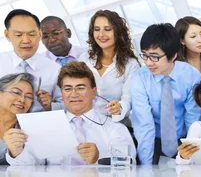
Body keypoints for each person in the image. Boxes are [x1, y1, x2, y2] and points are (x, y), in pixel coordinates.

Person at [4, 62, 135, 165]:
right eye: (67, 88)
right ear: (61, 93)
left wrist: (99, 157)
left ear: (94, 92)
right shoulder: (46, 127)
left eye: (80, 87)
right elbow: (30, 167)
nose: (74, 94)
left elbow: (129, 164)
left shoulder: (115, 128)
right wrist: (16, 152)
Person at [131, 23, 201, 165]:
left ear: (173, 56)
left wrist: (192, 158)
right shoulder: (140, 78)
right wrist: (146, 166)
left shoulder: (191, 75)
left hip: (182, 139)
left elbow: (193, 120)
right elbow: (144, 124)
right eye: (145, 55)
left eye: (155, 57)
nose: (148, 62)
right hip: (152, 140)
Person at [79, 10, 141, 123]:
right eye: (97, 29)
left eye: (107, 29)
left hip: (116, 123)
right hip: (86, 121)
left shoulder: (131, 64)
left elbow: (128, 99)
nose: (101, 35)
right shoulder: (84, 58)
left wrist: (119, 107)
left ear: (118, 32)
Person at [0, 9, 63, 112]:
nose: (26, 40)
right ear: (7, 35)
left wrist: (49, 106)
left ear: (40, 34)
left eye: (31, 34)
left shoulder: (54, 69)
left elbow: (66, 106)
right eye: (18, 35)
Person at [0, 73, 35, 165]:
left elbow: (36, 167)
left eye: (28, 97)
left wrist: (16, 153)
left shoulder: (31, 130)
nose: (22, 100)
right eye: (16, 92)